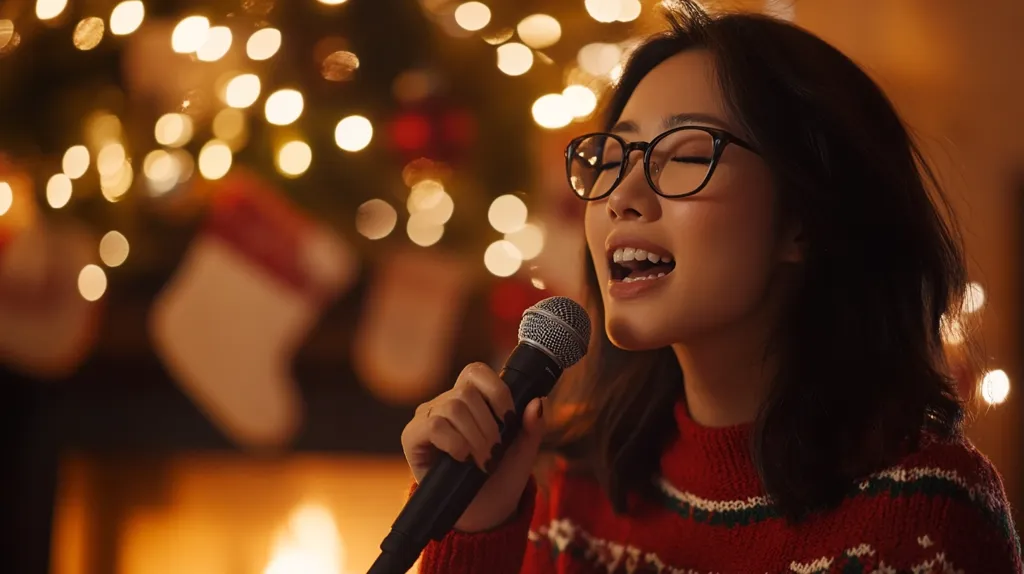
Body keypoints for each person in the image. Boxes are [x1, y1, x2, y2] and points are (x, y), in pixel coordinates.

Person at [399, 1, 1023, 572]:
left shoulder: (923, 515)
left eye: (687, 155)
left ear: (804, 218)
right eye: (613, 158)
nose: (621, 196)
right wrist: (474, 528)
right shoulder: (579, 481)